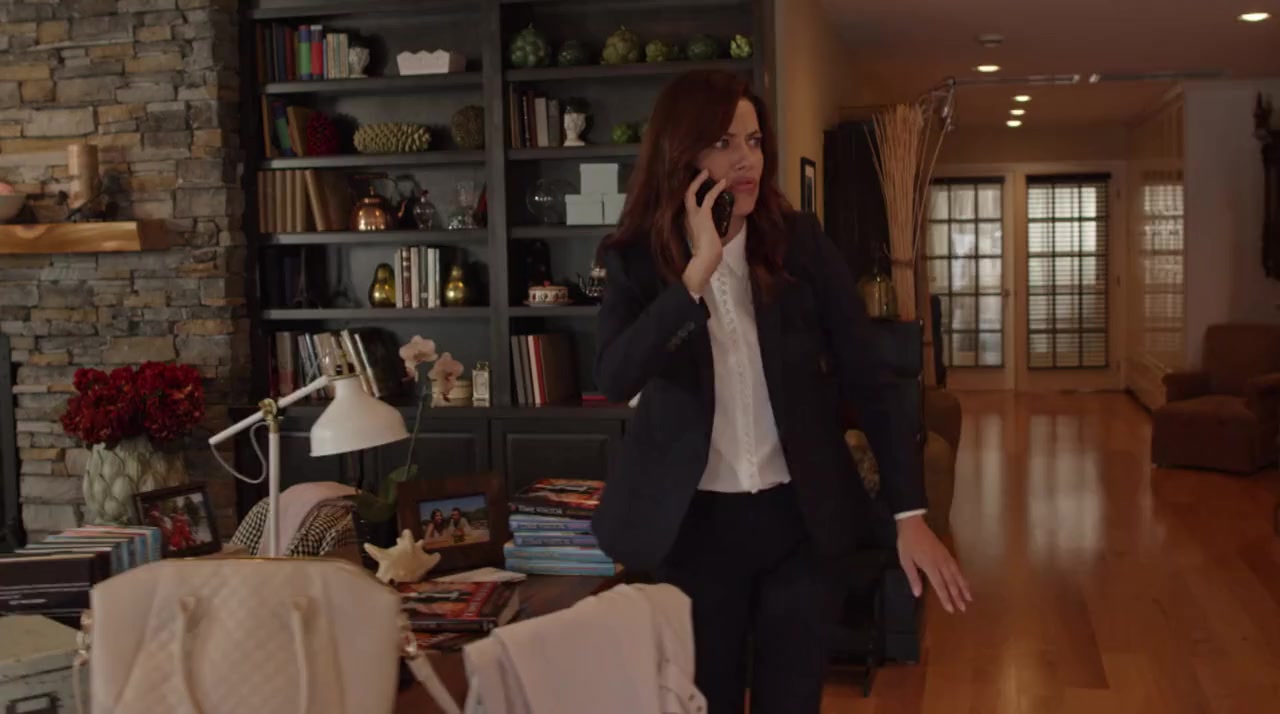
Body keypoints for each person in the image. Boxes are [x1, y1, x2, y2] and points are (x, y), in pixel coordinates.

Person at [590, 69, 971, 714]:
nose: (747, 160)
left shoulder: (800, 245)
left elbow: (871, 379)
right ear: (681, 152)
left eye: (754, 141)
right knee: (705, 701)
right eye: (724, 142)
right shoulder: (636, 260)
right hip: (694, 531)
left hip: (800, 524)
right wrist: (695, 276)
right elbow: (614, 376)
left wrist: (910, 515)